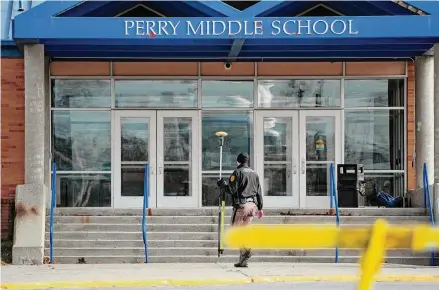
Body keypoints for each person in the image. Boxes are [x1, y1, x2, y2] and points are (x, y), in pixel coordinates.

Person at [217, 152, 264, 268]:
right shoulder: (254, 174)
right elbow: (259, 192)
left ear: (238, 161)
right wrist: (260, 208)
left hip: (242, 206)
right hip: (252, 207)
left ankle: (246, 249)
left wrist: (222, 185)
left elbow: (232, 190)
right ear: (247, 161)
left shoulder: (237, 173)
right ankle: (243, 261)